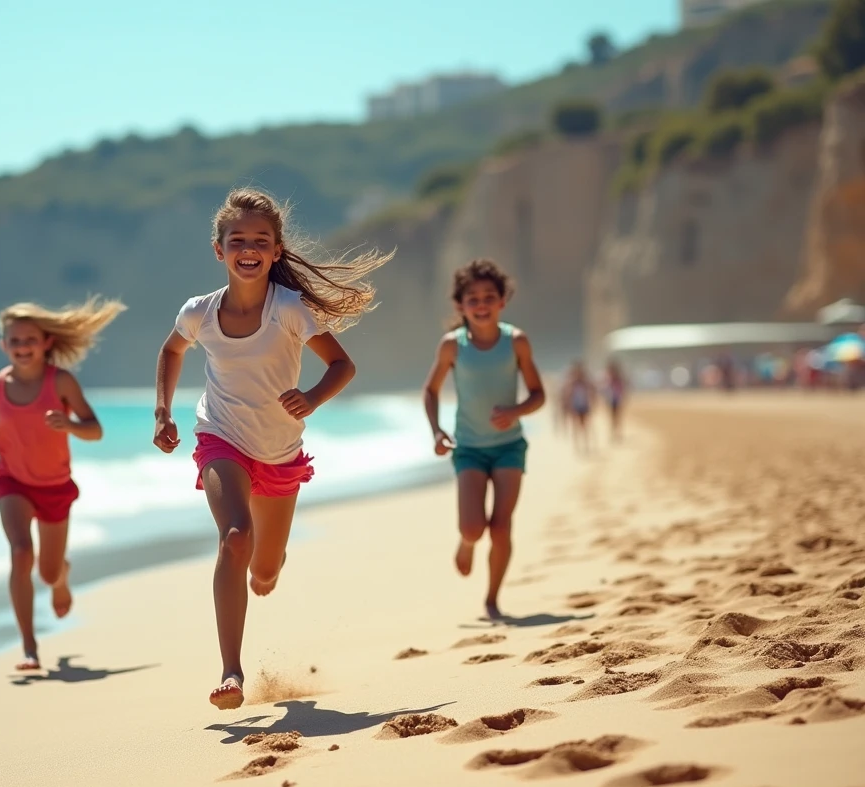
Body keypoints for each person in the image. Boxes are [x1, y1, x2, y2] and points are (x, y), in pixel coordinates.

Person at [152, 187, 392, 710]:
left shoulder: (288, 309)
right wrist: (163, 412)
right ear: (219, 249)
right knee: (235, 538)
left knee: (263, 570)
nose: (249, 247)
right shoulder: (199, 313)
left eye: (261, 239)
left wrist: (311, 398)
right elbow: (172, 351)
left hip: (280, 451)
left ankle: (270, 563)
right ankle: (231, 671)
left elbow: (342, 365)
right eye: (237, 238)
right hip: (221, 436)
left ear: (276, 250)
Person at [0, 298, 124, 671]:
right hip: (12, 483)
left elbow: (95, 429)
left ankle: (61, 578)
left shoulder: (61, 382)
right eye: (14, 341)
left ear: (46, 343)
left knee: (49, 571)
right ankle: (29, 647)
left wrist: (70, 425)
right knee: (21, 553)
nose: (22, 347)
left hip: (55, 486)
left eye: (29, 340)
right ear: (4, 345)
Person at [422, 259, 545, 620]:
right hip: (470, 449)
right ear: (460, 305)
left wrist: (516, 411)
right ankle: (466, 542)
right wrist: (437, 431)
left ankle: (492, 599)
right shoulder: (452, 346)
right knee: (474, 527)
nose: (481, 304)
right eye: (472, 298)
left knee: (502, 526)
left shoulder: (516, 341)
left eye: (489, 297)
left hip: (509, 447)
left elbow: (538, 394)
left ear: (502, 301)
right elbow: (430, 391)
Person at [565, 362, 596, 454]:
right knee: (576, 427)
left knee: (584, 426)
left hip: (583, 406)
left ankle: (585, 446)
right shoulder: (573, 383)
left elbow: (592, 392)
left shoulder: (585, 382)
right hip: (576, 406)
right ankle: (578, 447)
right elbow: (568, 395)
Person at [604, 359, 626, 443]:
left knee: (616, 417)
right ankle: (614, 433)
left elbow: (621, 389)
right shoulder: (609, 378)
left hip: (616, 399)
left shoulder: (617, 378)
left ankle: (616, 433)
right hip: (611, 399)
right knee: (613, 417)